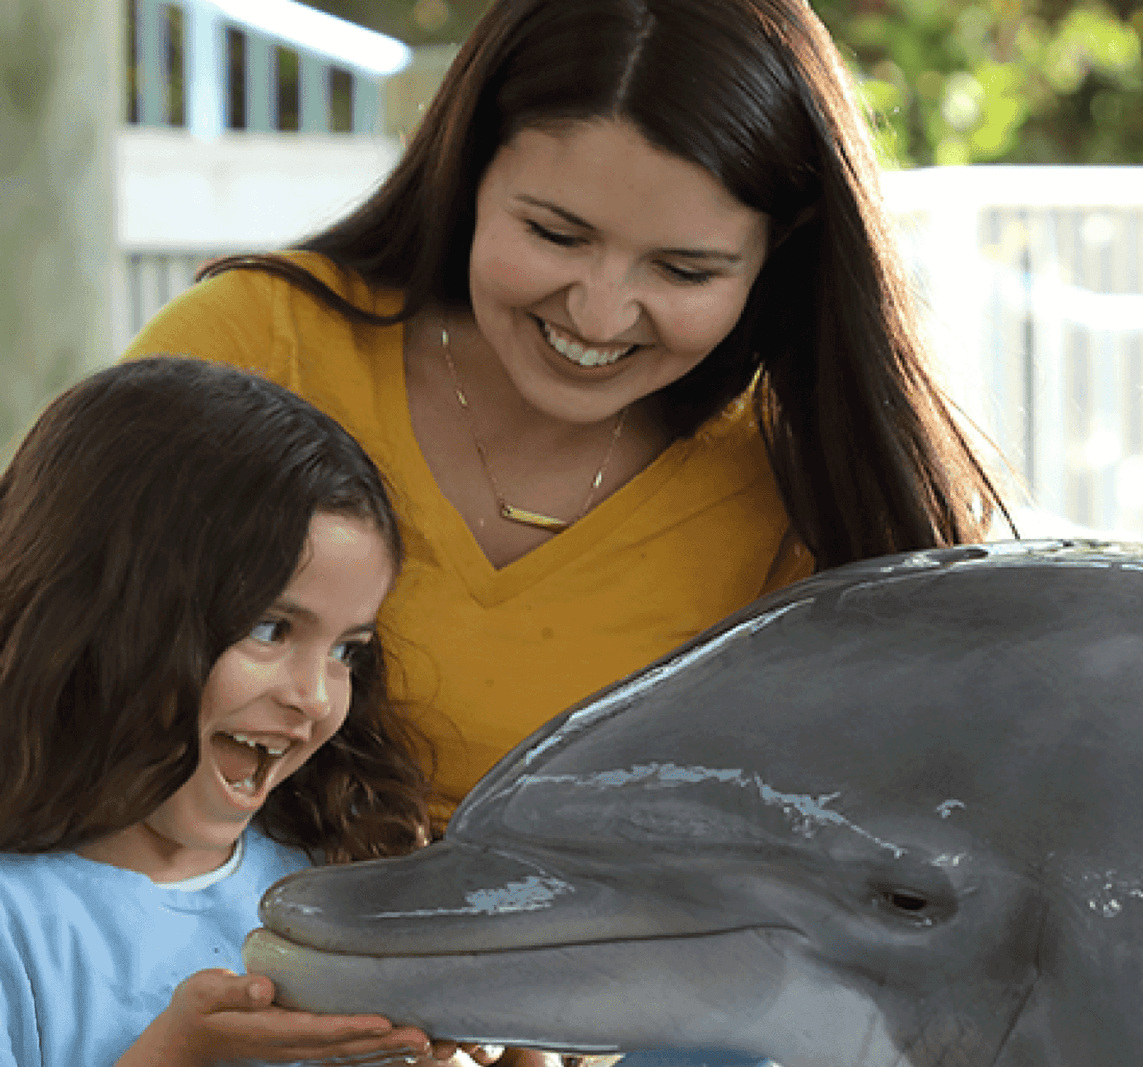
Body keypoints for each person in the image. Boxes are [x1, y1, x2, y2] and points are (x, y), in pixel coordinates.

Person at [123, 0, 1007, 804]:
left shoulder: (813, 494)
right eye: (554, 234)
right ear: (467, 169)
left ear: (783, 250)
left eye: (684, 269)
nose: (599, 312)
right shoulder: (249, 347)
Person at [0, 358, 459, 1066]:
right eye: (270, 628)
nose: (313, 695)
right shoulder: (20, 918)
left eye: (346, 650)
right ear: (94, 617)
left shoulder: (341, 865)